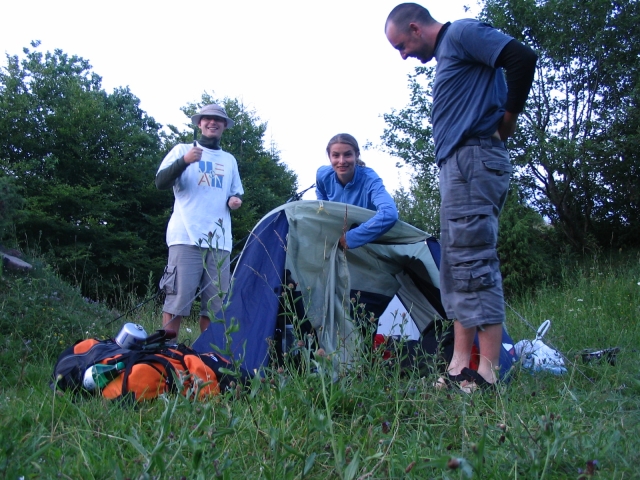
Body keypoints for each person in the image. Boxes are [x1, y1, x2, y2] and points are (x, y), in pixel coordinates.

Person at [385, 4, 537, 390]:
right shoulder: (450, 52)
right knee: (454, 266)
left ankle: (486, 372)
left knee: (474, 260)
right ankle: (458, 367)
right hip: (457, 166)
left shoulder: (462, 34)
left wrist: (509, 117)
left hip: (474, 159)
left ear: (416, 28)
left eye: (401, 46)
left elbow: (520, 57)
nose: (404, 56)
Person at [156, 104, 244, 337]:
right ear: (199, 123)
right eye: (207, 119)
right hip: (185, 237)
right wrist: (185, 160)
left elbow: (235, 193)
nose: (212, 122)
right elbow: (160, 182)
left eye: (218, 119)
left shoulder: (229, 160)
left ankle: (208, 359)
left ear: (224, 125)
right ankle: (167, 355)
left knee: (216, 308)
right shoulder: (182, 150)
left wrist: (235, 200)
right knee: (177, 303)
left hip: (220, 243)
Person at [316, 133, 399, 249]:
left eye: (347, 155)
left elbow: (389, 214)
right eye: (335, 155)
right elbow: (321, 198)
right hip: (336, 237)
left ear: (357, 155)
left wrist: (351, 238)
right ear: (329, 157)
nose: (342, 161)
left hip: (369, 239)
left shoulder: (370, 179)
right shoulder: (322, 175)